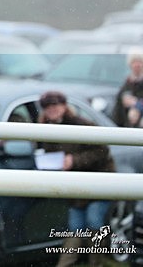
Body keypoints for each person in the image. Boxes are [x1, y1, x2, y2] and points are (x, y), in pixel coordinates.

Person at [37, 90, 115, 267]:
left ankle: (96, 263)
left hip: (98, 182)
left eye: (55, 105)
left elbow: (102, 151)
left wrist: (74, 160)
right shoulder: (44, 129)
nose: (51, 109)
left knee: (94, 220)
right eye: (47, 107)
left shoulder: (82, 125)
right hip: (75, 187)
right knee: (75, 227)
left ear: (64, 106)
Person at [112, 47, 143, 127]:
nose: (137, 65)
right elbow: (118, 107)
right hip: (126, 127)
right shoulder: (127, 83)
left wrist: (137, 105)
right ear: (130, 64)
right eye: (134, 62)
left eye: (140, 62)